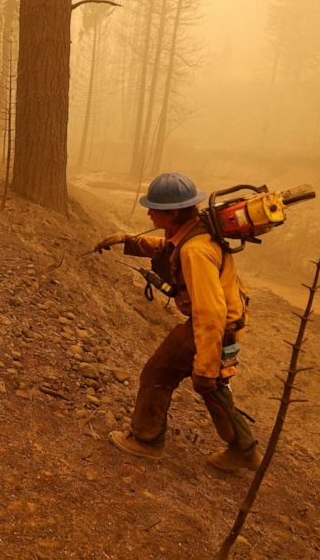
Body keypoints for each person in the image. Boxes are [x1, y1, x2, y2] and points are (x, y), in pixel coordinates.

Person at [94, 172, 261, 471]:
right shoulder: (193, 232)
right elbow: (168, 248)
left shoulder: (196, 251)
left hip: (211, 330)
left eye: (153, 208)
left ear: (172, 212)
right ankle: (244, 450)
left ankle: (145, 440)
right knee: (214, 388)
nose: (148, 212)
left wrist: (207, 366)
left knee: (158, 373)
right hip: (228, 329)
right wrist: (128, 242)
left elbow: (210, 313)